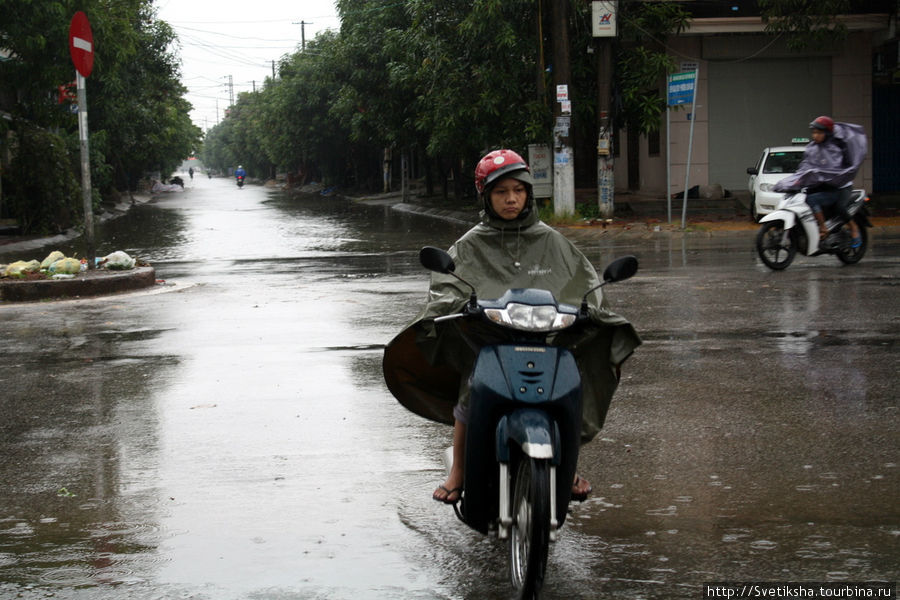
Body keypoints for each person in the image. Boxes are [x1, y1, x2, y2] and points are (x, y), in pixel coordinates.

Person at [382, 149, 641, 505]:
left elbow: (582, 282)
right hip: (490, 339)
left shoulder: (551, 240)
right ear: (486, 196)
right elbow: (448, 287)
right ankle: (458, 471)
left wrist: (590, 308)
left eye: (518, 190)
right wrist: (460, 306)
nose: (511, 199)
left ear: (528, 193)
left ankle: (569, 465)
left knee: (572, 384)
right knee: (470, 389)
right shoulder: (471, 244)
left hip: (547, 337)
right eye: (501, 191)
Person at [773, 116, 867, 247]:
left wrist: (816, 174)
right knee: (806, 199)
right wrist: (790, 183)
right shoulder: (812, 148)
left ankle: (847, 228)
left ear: (827, 133)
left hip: (841, 187)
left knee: (834, 206)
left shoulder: (835, 148)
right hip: (823, 186)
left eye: (819, 132)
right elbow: (804, 168)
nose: (815, 136)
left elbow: (831, 170)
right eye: (814, 132)